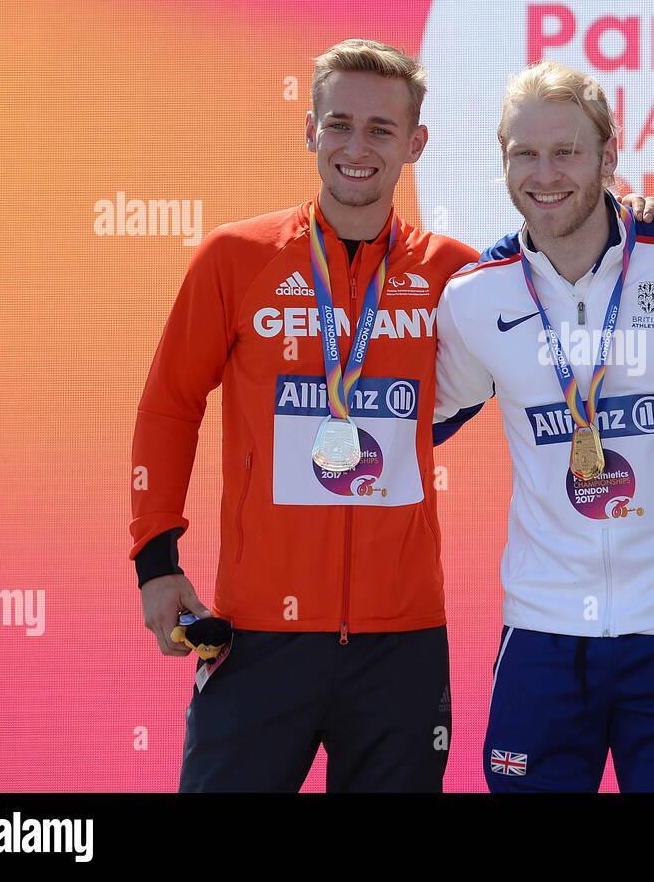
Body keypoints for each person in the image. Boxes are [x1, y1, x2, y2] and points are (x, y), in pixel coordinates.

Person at [129, 39, 480, 792]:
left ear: (416, 143)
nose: (358, 147)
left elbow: (561, 280)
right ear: (310, 130)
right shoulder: (234, 257)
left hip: (402, 642)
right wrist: (156, 564)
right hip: (259, 636)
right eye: (340, 124)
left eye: (382, 129)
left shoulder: (457, 274)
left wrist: (629, 214)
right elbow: (169, 406)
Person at [433, 61, 654, 792]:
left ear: (610, 154)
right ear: (502, 160)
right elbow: (406, 428)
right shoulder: (475, 296)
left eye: (566, 151)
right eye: (524, 153)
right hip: (544, 628)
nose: (544, 173)